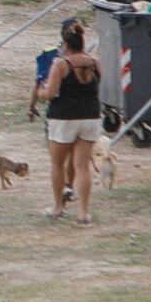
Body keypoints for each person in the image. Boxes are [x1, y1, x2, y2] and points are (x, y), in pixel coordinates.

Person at [37, 16, 104, 223]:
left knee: (57, 163)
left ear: (65, 44)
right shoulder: (94, 62)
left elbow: (50, 93)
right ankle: (83, 212)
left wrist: (40, 92)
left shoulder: (61, 64)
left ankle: (58, 207)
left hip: (63, 117)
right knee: (82, 165)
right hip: (90, 116)